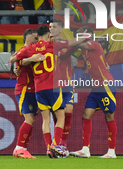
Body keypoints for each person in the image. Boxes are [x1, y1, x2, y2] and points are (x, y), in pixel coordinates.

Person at [11, 25, 89, 158]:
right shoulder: (54, 46)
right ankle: (56, 145)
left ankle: (48, 148)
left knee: (45, 119)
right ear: (48, 35)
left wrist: (25, 62)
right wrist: (85, 37)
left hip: (38, 90)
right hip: (52, 87)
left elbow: (14, 59)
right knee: (61, 116)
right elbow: (73, 42)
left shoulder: (30, 49)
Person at [70, 26, 117, 159]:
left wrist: (61, 40)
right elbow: (73, 51)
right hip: (96, 87)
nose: (77, 36)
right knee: (86, 114)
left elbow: (75, 44)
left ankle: (111, 152)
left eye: (79, 34)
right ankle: (85, 149)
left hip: (106, 84)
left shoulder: (94, 44)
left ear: (87, 34)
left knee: (109, 116)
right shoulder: (84, 51)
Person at [49, 19, 78, 157]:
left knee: (68, 111)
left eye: (54, 27)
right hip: (52, 85)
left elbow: (80, 48)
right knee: (57, 114)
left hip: (66, 83)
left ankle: (62, 143)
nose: (51, 29)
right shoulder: (45, 45)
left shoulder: (67, 43)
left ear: (60, 29)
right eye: (49, 27)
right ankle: (55, 144)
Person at [11, 28, 38, 159]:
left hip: (33, 89)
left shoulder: (32, 50)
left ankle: (23, 149)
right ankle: (19, 148)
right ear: (28, 38)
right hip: (24, 89)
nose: (37, 40)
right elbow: (14, 60)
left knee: (32, 120)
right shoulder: (22, 51)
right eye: (35, 38)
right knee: (29, 119)